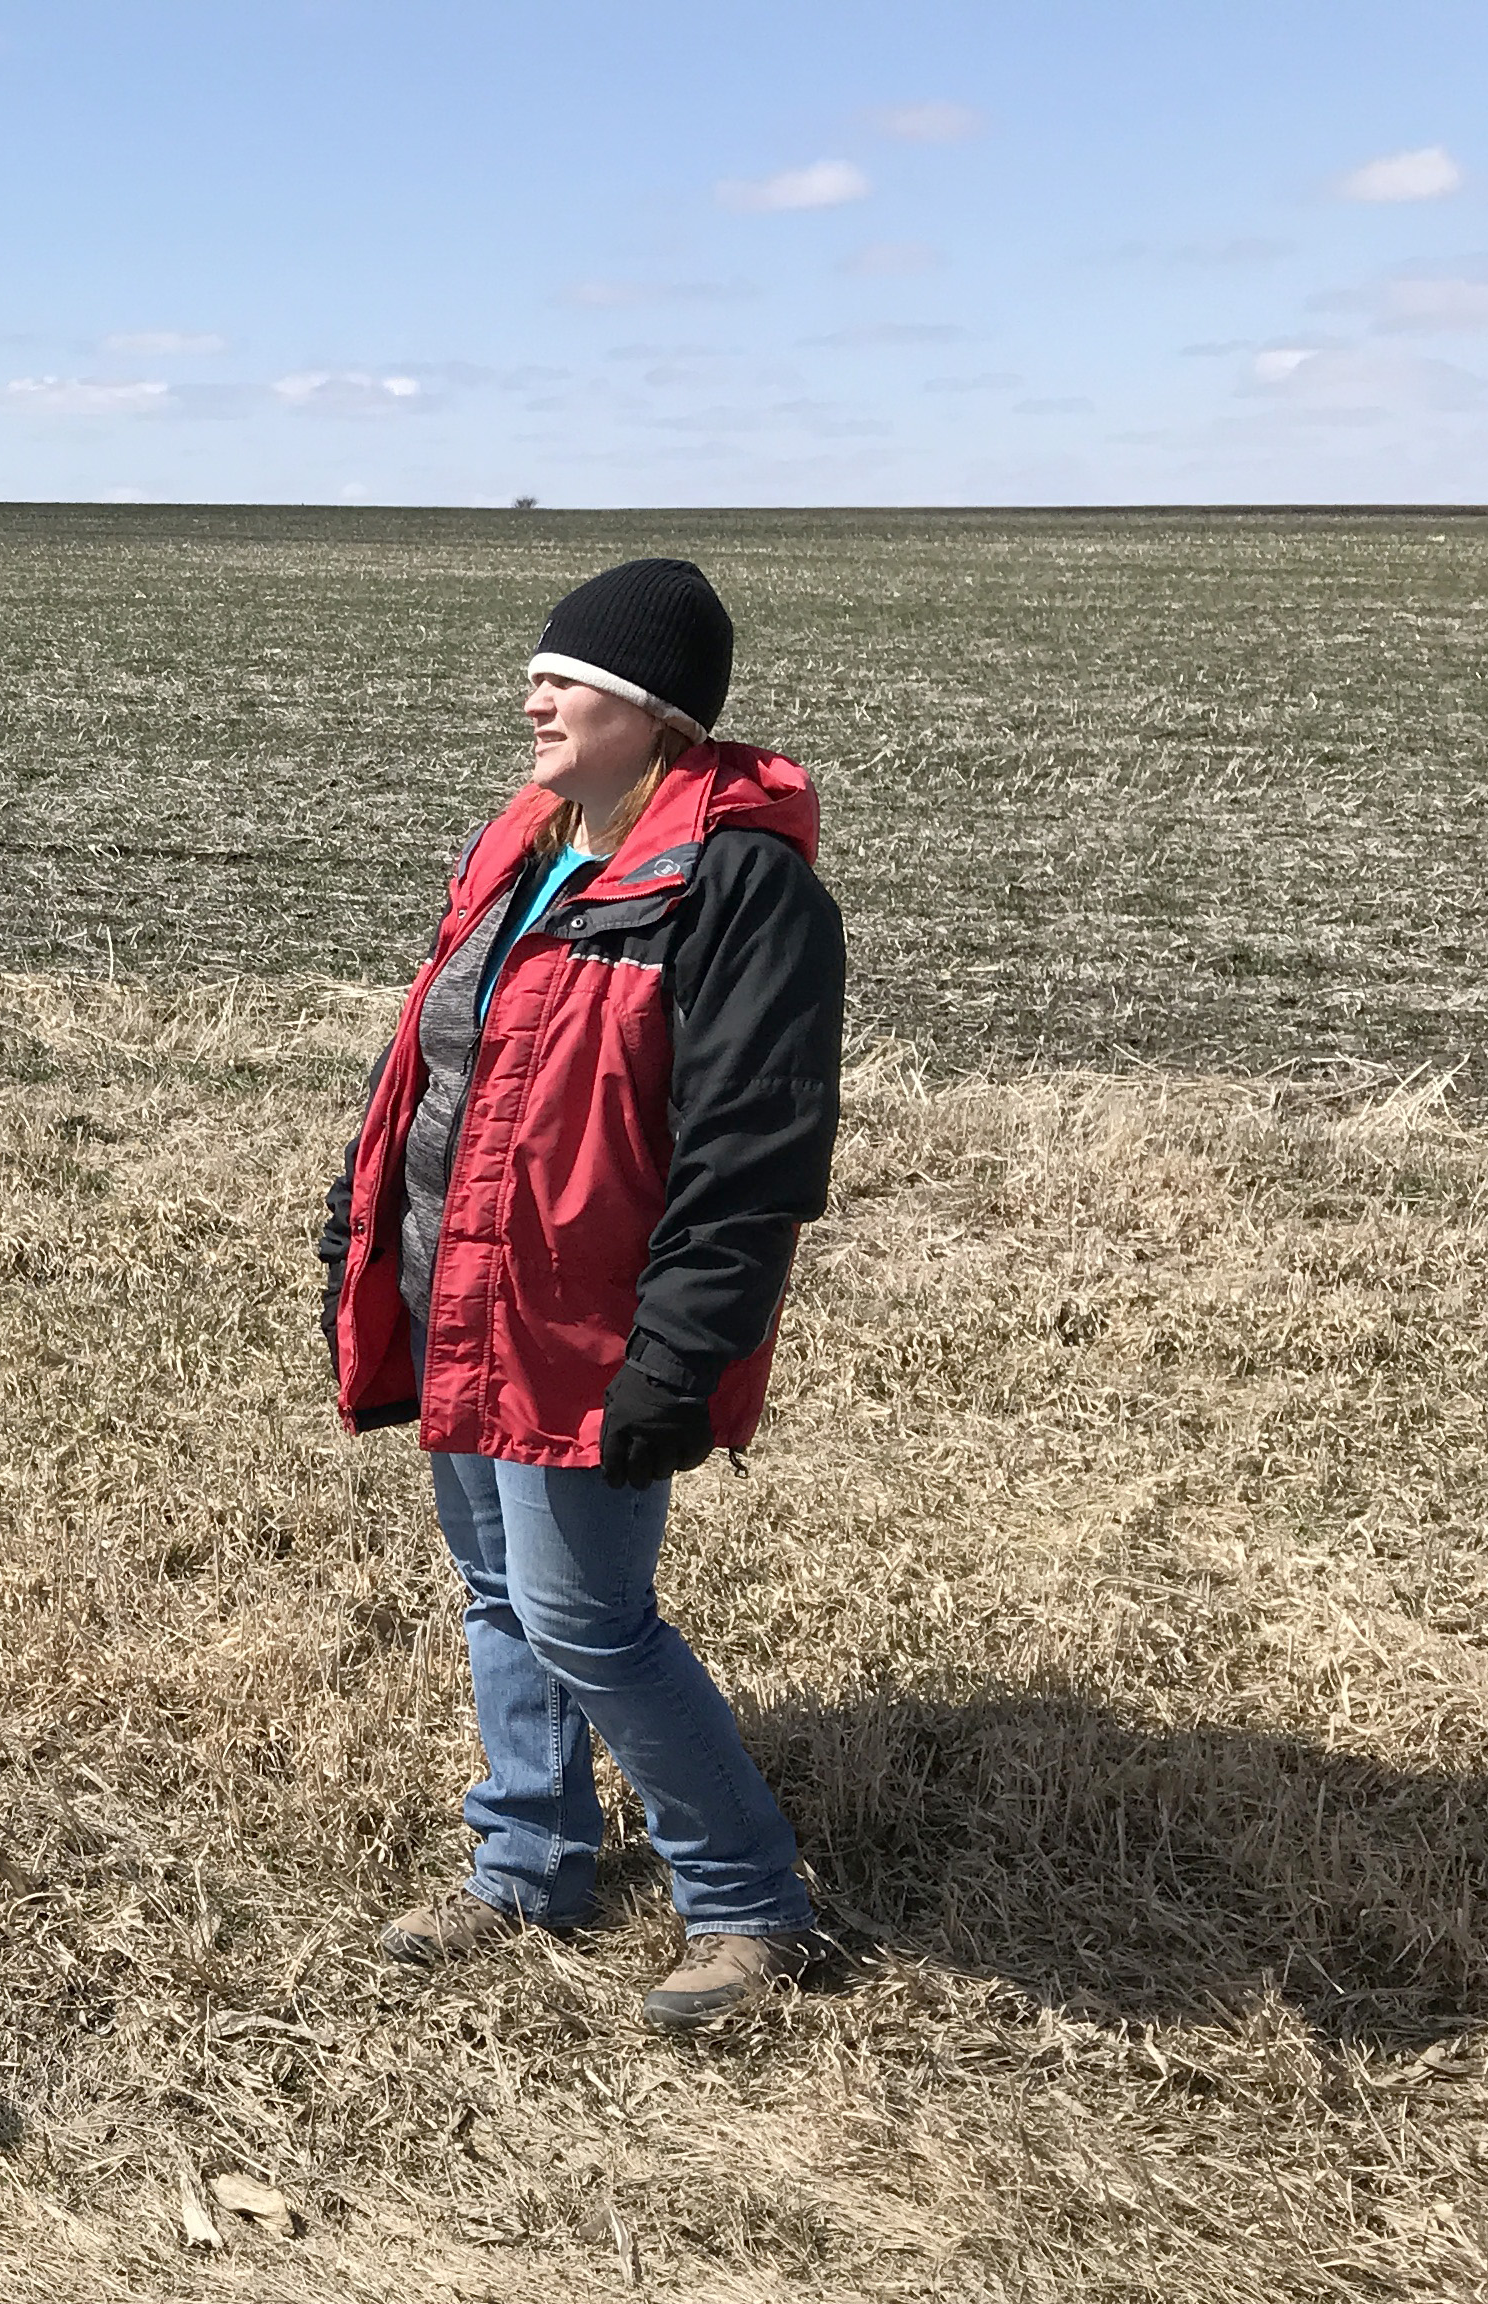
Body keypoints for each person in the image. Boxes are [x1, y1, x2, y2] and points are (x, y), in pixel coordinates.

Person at [314, 557, 846, 2031]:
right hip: (460, 1290)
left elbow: (753, 1148)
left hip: (587, 1328)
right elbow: (437, 1056)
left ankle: (749, 1906)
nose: (534, 695)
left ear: (655, 711)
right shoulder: (528, 844)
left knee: (589, 1618)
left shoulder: (742, 886)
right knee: (497, 1593)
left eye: (572, 678)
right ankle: (530, 1862)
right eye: (542, 671)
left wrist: (681, 1353)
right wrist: (360, 1229)